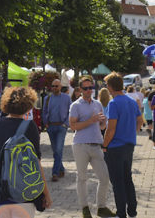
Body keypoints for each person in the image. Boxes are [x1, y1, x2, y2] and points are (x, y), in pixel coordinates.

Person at [0, 87, 52, 216]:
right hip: (24, 192)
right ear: (28, 104)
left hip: (0, 193)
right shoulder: (30, 126)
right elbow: (36, 164)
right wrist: (46, 193)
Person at [69, 77, 113, 218]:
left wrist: (103, 122)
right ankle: (85, 208)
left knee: (105, 177)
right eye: (86, 88)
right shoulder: (75, 105)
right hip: (80, 145)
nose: (89, 91)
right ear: (80, 90)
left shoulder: (98, 104)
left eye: (91, 88)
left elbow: (101, 126)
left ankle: (101, 207)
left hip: (96, 144)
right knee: (82, 178)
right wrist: (90, 121)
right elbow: (73, 126)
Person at [101, 73, 145, 218]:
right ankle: (132, 210)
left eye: (107, 84)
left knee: (117, 182)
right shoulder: (131, 101)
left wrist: (104, 145)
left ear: (110, 86)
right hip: (129, 145)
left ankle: (121, 213)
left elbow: (111, 128)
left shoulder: (113, 103)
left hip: (115, 147)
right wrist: (133, 133)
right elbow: (140, 120)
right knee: (127, 179)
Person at [42, 78, 71, 181]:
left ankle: (55, 173)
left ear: (60, 87)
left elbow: (70, 111)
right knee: (55, 151)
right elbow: (44, 111)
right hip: (51, 126)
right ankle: (61, 168)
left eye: (56, 86)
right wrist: (46, 123)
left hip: (61, 127)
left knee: (58, 149)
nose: (54, 88)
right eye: (53, 86)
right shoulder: (47, 98)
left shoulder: (66, 98)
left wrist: (66, 124)